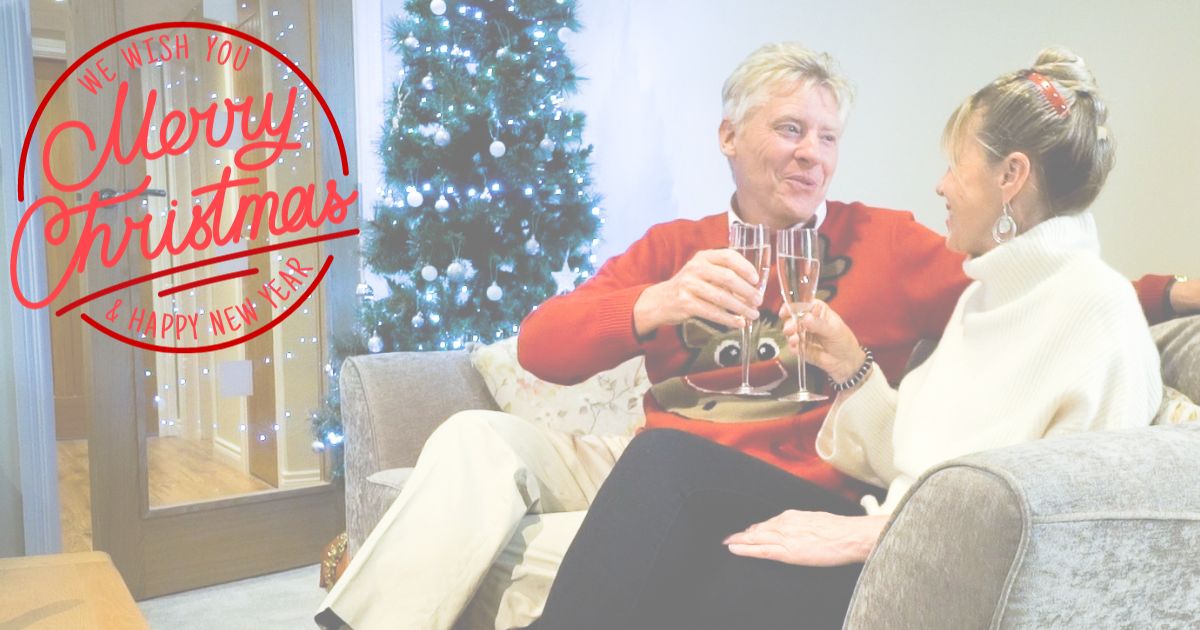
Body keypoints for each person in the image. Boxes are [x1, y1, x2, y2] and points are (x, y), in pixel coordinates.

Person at [317, 43, 1193, 630]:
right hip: (653, 459)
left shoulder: (890, 243)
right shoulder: (674, 248)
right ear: (730, 138)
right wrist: (652, 305)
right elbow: (541, 346)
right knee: (477, 435)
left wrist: (1178, 290)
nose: (813, 153)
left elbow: (1050, 289)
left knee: (669, 491)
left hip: (790, 480)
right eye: (789, 130)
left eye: (828, 136)